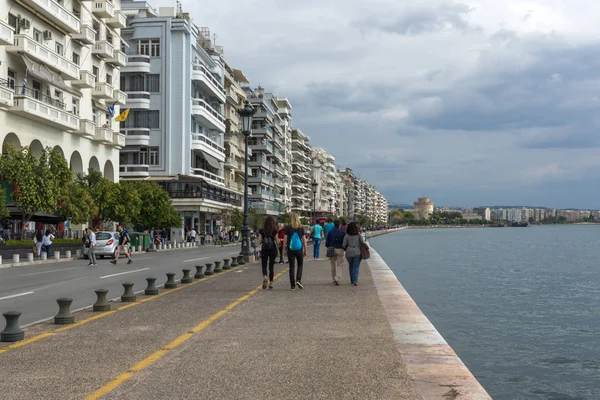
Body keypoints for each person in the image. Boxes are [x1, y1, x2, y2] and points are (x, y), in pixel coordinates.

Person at [283, 213, 307, 290]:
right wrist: (305, 250)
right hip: (299, 249)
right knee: (300, 265)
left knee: (291, 266)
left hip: (290, 249)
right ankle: (298, 280)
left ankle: (292, 285)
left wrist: (283, 250)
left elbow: (285, 240)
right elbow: (304, 240)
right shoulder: (301, 227)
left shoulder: (287, 227)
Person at [258, 216, 279, 290]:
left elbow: (259, 241)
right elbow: (277, 241)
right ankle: (270, 284)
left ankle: (265, 277)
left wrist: (264, 240)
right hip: (272, 249)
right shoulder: (274, 230)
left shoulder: (261, 230)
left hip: (264, 249)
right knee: (271, 267)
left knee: (264, 265)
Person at [326, 220, 346, 285]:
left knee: (333, 264)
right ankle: (337, 278)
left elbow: (327, 243)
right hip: (340, 249)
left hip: (332, 249)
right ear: (339, 225)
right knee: (339, 264)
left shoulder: (330, 232)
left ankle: (334, 278)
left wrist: (328, 246)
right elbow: (344, 242)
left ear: (334, 224)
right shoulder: (342, 233)